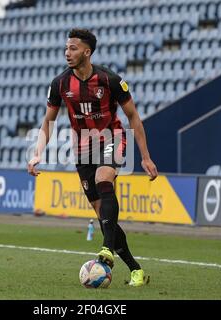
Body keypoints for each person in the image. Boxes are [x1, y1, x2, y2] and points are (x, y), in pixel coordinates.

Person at [27, 28, 158, 287]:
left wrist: (145, 156)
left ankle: (106, 250)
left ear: (87, 52)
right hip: (82, 148)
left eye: (73, 48)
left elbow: (133, 116)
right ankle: (135, 270)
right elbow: (48, 122)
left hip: (111, 138)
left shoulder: (110, 80)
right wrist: (36, 154)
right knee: (103, 215)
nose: (67, 52)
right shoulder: (60, 84)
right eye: (66, 48)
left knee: (104, 179)